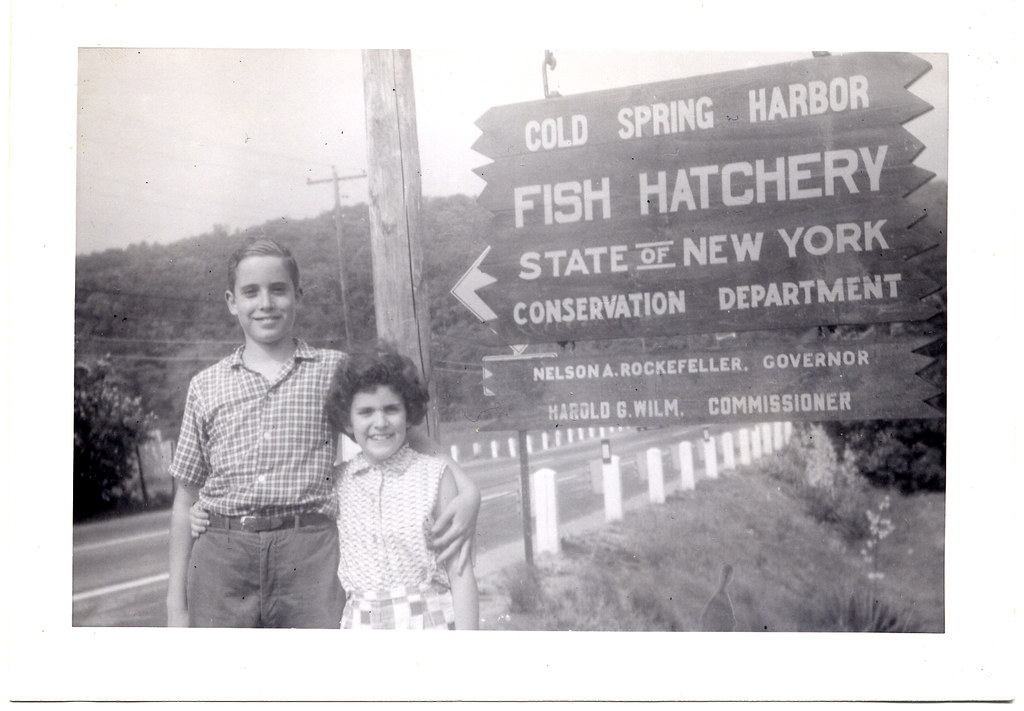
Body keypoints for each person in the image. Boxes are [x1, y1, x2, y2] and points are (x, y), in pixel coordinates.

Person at [167, 238, 479, 628]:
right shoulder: (205, 385)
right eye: (251, 292)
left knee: (316, 678)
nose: (265, 303)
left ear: (297, 296)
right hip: (224, 552)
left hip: (309, 552)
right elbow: (185, 498)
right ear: (232, 301)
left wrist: (469, 491)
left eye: (278, 289)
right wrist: (175, 603)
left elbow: (406, 434)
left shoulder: (333, 370)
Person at [323, 344, 478, 629]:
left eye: (391, 409)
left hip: (429, 621)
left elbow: (461, 571)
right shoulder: (338, 481)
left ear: (408, 414)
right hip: (362, 623)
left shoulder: (433, 475)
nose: (380, 422)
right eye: (366, 412)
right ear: (347, 421)